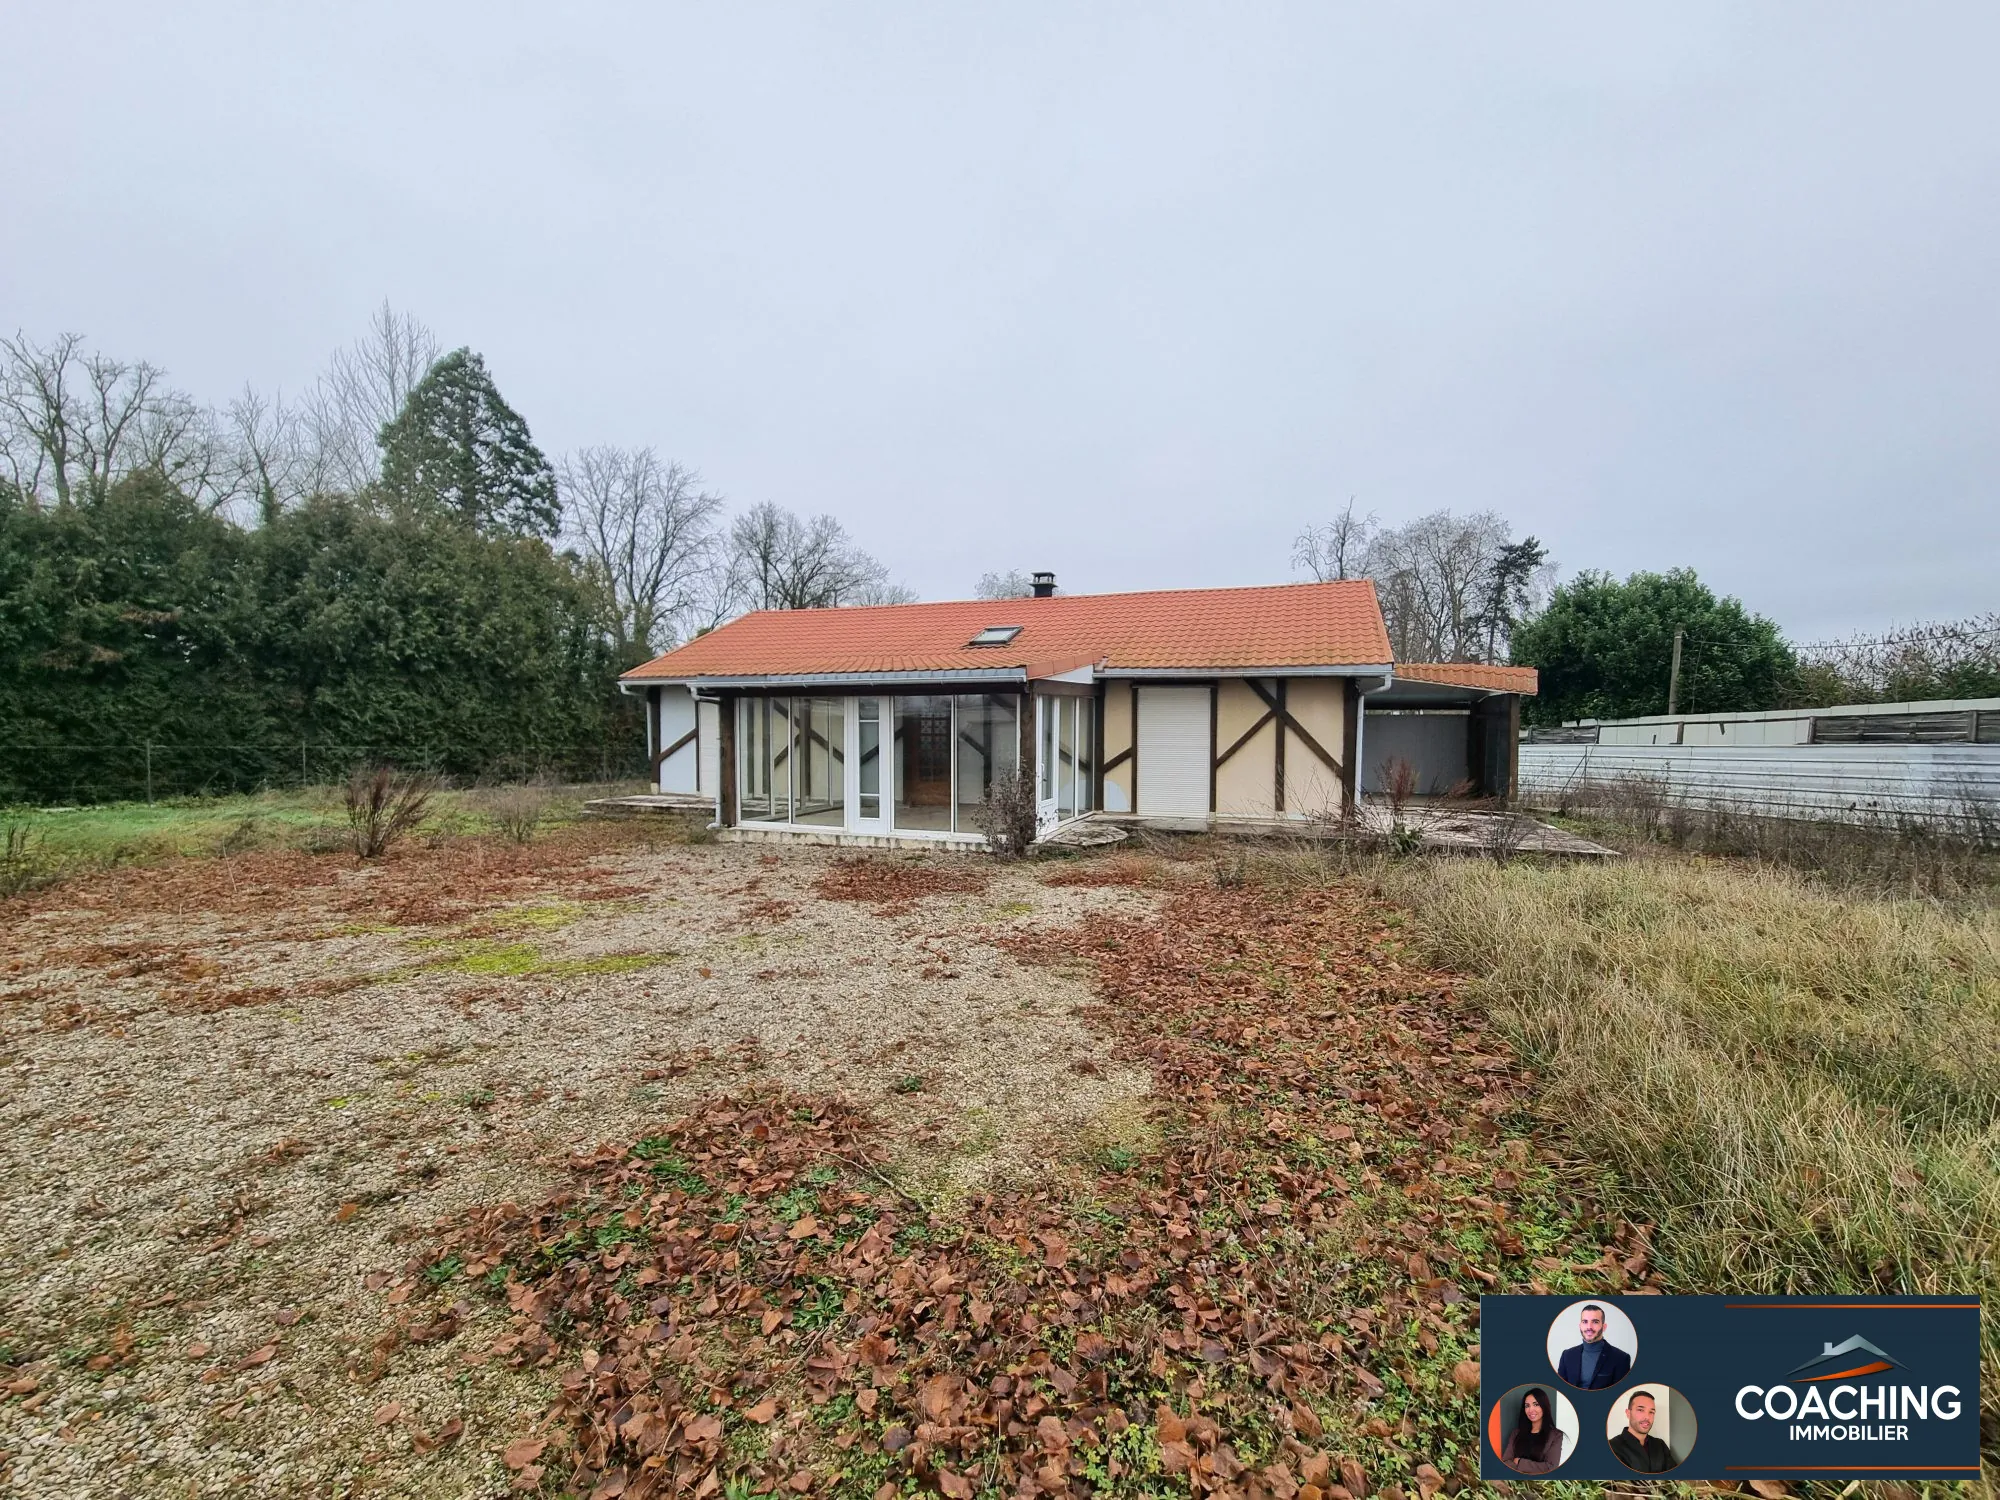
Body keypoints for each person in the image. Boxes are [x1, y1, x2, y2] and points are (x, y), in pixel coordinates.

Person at [1556, 1303, 1632, 1389]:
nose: (1589, 1327)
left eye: (1595, 1322)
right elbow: (1560, 1389)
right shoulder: (1567, 1355)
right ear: (1580, 1326)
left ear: (1604, 1327)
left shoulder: (1621, 1358)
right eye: (1585, 1322)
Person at [1609, 1390, 1678, 1473]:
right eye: (1640, 1410)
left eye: (1651, 1412)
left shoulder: (1660, 1445)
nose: (1647, 1417)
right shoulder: (1613, 1447)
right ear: (1628, 1413)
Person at [1500, 1387, 1564, 1474]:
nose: (1530, 1410)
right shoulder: (1516, 1433)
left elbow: (1550, 1467)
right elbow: (1506, 1462)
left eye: (1536, 1404)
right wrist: (1536, 1467)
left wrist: (1520, 1462)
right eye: (1527, 1406)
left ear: (1544, 1406)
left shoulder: (1556, 1435)